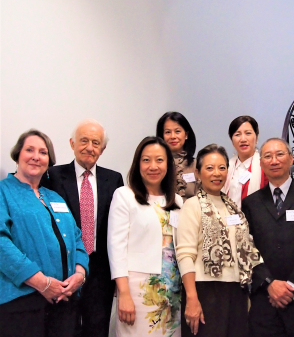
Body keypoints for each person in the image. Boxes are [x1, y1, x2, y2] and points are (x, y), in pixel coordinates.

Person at [0, 129, 89, 337]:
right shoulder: (3, 191)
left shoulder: (55, 197)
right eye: (29, 150)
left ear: (49, 160)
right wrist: (42, 283)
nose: (35, 156)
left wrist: (80, 275)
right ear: (17, 154)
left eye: (43, 152)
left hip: (64, 303)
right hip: (21, 305)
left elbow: (77, 239)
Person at [41, 119, 124, 337]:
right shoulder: (53, 176)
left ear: (103, 149)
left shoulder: (114, 179)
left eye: (96, 143)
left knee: (97, 329)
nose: (89, 147)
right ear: (72, 143)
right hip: (64, 270)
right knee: (63, 329)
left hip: (100, 270)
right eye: (84, 141)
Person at [242, 138, 294, 337]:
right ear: (261, 164)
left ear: (290, 158)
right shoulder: (250, 203)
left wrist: (291, 285)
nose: (274, 160)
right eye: (268, 156)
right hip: (264, 298)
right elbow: (247, 247)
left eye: (280, 154)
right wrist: (269, 282)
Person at [177, 144, 262, 337]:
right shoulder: (192, 205)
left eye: (222, 168)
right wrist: (191, 298)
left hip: (236, 291)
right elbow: (185, 254)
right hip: (204, 291)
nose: (217, 173)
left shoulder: (233, 207)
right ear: (198, 173)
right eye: (209, 168)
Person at [108, 136, 183, 336]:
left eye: (159, 160)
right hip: (139, 291)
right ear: (137, 163)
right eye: (146, 160)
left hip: (172, 292)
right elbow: (116, 247)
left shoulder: (177, 201)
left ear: (168, 164)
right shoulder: (125, 195)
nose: (153, 166)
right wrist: (123, 293)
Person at [222, 115, 268, 208]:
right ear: (232, 141)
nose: (243, 139)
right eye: (237, 134)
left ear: (257, 137)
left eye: (248, 133)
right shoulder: (225, 167)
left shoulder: (265, 165)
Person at [156, 111, 199, 202]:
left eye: (177, 131)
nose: (173, 136)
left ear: (186, 134)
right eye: (168, 132)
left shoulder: (196, 165)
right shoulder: (156, 165)